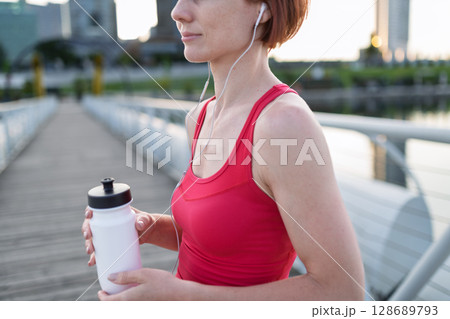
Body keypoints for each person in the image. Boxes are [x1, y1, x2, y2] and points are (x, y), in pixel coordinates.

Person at [82, 0, 365, 300]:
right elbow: (217, 239)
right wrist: (147, 228)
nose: (178, 12)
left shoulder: (284, 125)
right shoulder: (200, 117)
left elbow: (343, 291)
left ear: (263, 9)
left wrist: (185, 299)